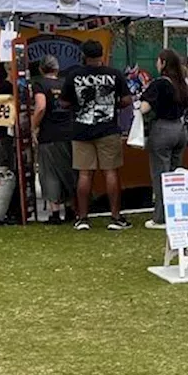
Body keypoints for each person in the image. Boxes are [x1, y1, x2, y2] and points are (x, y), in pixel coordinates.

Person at [62, 40, 134, 231]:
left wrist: (81, 106)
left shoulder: (74, 75)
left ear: (84, 56)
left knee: (84, 173)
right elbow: (127, 99)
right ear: (102, 55)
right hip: (108, 128)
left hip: (81, 128)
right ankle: (115, 216)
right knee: (111, 171)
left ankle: (83, 217)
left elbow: (64, 102)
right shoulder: (114, 74)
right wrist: (111, 107)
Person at [141, 49, 188, 230]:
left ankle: (161, 217)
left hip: (163, 129)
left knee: (161, 175)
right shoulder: (182, 83)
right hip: (180, 129)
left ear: (162, 63)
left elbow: (144, 108)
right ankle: (177, 213)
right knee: (175, 175)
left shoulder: (160, 83)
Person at [31, 55, 76, 225]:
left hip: (49, 134)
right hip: (68, 133)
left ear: (42, 69)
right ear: (57, 69)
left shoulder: (40, 85)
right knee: (68, 171)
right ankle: (71, 209)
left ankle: (55, 213)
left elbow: (41, 106)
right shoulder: (65, 83)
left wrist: (34, 127)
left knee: (49, 173)